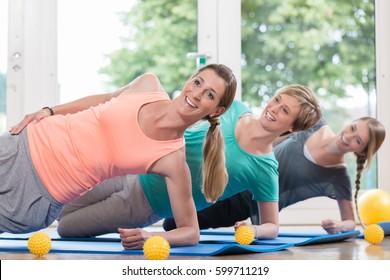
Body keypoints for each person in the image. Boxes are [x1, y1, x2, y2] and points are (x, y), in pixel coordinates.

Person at [1, 64, 237, 248]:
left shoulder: (172, 160)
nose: (196, 94)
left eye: (209, 95)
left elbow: (190, 231)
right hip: (21, 146)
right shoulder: (148, 85)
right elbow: (104, 99)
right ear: (189, 80)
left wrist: (151, 235)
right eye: (197, 82)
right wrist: (49, 110)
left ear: (216, 110)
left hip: (39, 196)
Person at [56, 84, 322, 248]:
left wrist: (255, 230)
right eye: (278, 100)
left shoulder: (265, 168)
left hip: (145, 205)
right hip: (133, 168)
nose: (274, 109)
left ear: (292, 128)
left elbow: (272, 225)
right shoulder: (233, 108)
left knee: (66, 228)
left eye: (285, 111)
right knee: (57, 205)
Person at [162, 117, 386, 234]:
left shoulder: (338, 177)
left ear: (361, 151)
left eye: (358, 140)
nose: (349, 136)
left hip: (246, 203)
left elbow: (349, 221)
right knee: (169, 198)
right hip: (234, 173)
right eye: (354, 128)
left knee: (171, 224)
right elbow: (269, 137)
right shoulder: (315, 123)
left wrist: (339, 227)